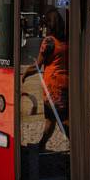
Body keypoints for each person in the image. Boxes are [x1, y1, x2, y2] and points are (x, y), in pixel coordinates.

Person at [31, 8, 69, 149]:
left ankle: (77, 145)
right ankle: (41, 144)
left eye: (45, 25)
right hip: (64, 82)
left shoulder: (49, 42)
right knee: (50, 118)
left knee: (61, 119)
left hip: (53, 86)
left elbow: (37, 65)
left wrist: (24, 75)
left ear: (49, 25)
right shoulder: (65, 39)